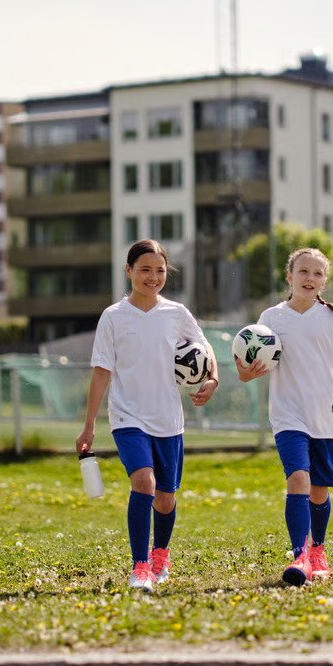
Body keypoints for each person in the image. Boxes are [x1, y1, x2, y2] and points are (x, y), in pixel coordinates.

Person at [78, 240, 218, 592]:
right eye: (145, 269)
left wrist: (212, 377)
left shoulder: (177, 313)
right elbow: (101, 372)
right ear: (128, 271)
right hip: (128, 418)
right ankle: (140, 567)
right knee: (144, 483)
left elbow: (204, 349)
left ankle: (160, 555)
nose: (153, 277)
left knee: (166, 497)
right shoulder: (113, 317)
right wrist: (89, 425)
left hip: (168, 419)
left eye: (159, 270)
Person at [235, 247, 333, 586]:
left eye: (317, 274)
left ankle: (317, 549)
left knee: (319, 490)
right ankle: (300, 555)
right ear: (289, 276)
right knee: (298, 480)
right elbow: (251, 366)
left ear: (324, 281)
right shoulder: (271, 319)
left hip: (324, 417)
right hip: (288, 416)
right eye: (303, 272)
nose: (310, 279)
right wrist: (246, 373)